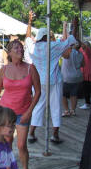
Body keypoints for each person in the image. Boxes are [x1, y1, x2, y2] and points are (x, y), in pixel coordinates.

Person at [25, 11, 76, 144]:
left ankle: (31, 133)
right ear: (48, 35)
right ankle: (55, 135)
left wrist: (29, 22)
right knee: (55, 107)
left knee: (38, 106)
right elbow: (70, 41)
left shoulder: (32, 47)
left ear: (39, 36)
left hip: (38, 82)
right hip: (54, 81)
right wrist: (73, 28)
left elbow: (27, 37)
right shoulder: (53, 46)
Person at [0, 39, 40, 169]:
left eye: (21, 48)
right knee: (7, 143)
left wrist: (29, 112)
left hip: (23, 112)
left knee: (21, 145)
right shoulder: (4, 69)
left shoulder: (31, 68)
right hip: (6, 113)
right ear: (9, 53)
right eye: (16, 48)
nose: (20, 50)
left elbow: (38, 92)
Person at [61, 38, 84, 117]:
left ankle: (66, 110)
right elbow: (83, 64)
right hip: (77, 76)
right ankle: (73, 110)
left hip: (67, 77)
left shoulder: (69, 52)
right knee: (74, 95)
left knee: (63, 95)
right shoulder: (80, 54)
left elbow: (63, 54)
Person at [79, 41, 91, 109]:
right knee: (86, 89)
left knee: (87, 89)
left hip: (89, 73)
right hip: (84, 73)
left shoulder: (90, 53)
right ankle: (88, 102)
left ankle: (88, 103)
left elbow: (84, 48)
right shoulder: (82, 51)